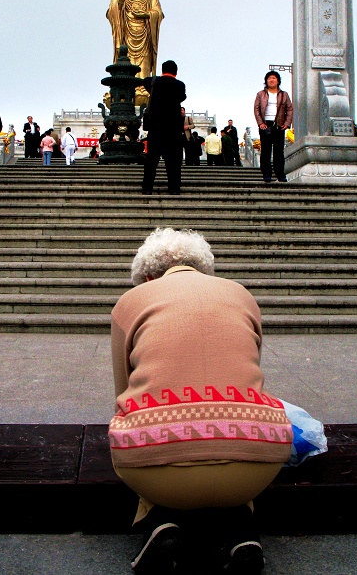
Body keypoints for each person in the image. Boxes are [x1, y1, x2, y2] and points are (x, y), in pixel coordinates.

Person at [109, 227, 292, 575]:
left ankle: (159, 521)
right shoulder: (242, 295)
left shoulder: (130, 303)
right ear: (202, 266)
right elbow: (251, 374)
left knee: (131, 427)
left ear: (148, 276)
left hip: (155, 465)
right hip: (259, 461)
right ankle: (241, 530)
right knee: (233, 436)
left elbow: (121, 394)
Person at [140, 60, 186, 195]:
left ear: (162, 70)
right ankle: (174, 188)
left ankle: (147, 188)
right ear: (176, 72)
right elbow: (182, 97)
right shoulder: (180, 85)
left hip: (156, 128)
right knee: (173, 161)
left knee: (151, 160)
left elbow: (145, 81)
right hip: (173, 129)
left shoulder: (153, 82)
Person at [254, 70, 293, 183]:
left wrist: (287, 123)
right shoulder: (260, 94)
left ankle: (280, 174)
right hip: (265, 125)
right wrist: (260, 123)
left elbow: (289, 109)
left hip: (279, 125)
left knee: (278, 152)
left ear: (278, 81)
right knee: (265, 151)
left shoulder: (284, 94)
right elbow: (256, 109)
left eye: (274, 78)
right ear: (266, 81)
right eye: (269, 78)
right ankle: (267, 174)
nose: (271, 80)